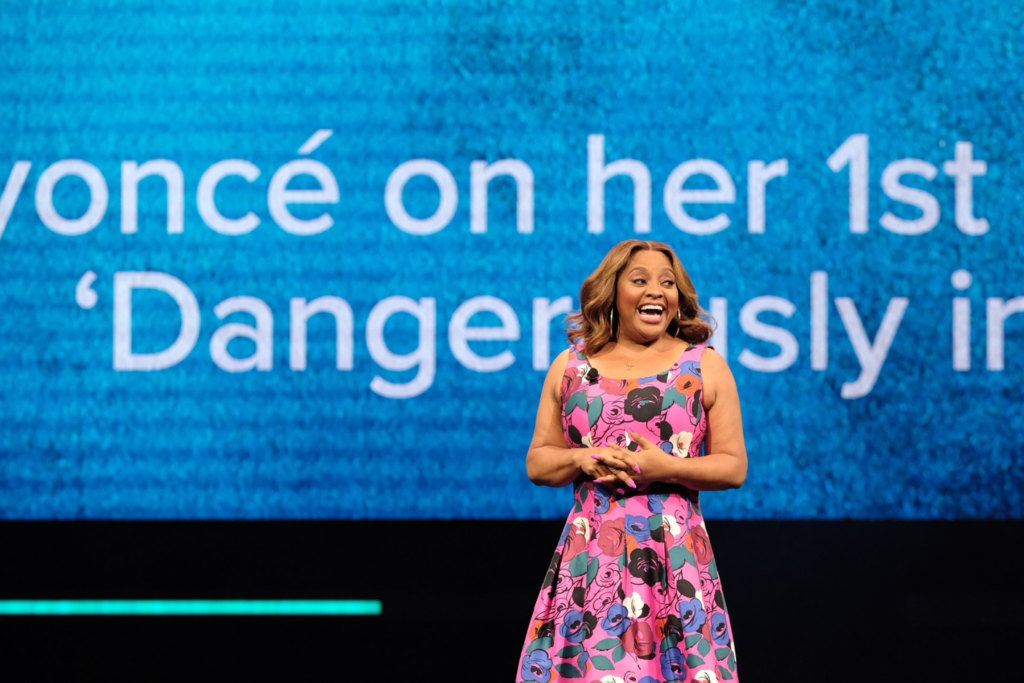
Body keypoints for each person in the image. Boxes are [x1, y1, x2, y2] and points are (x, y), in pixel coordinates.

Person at [516, 240, 747, 683]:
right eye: (640, 280)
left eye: (668, 283)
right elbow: (539, 463)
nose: (656, 291)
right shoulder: (572, 366)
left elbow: (733, 466)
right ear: (613, 293)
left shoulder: (704, 366)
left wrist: (668, 469)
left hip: (673, 559)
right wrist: (583, 457)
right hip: (591, 559)